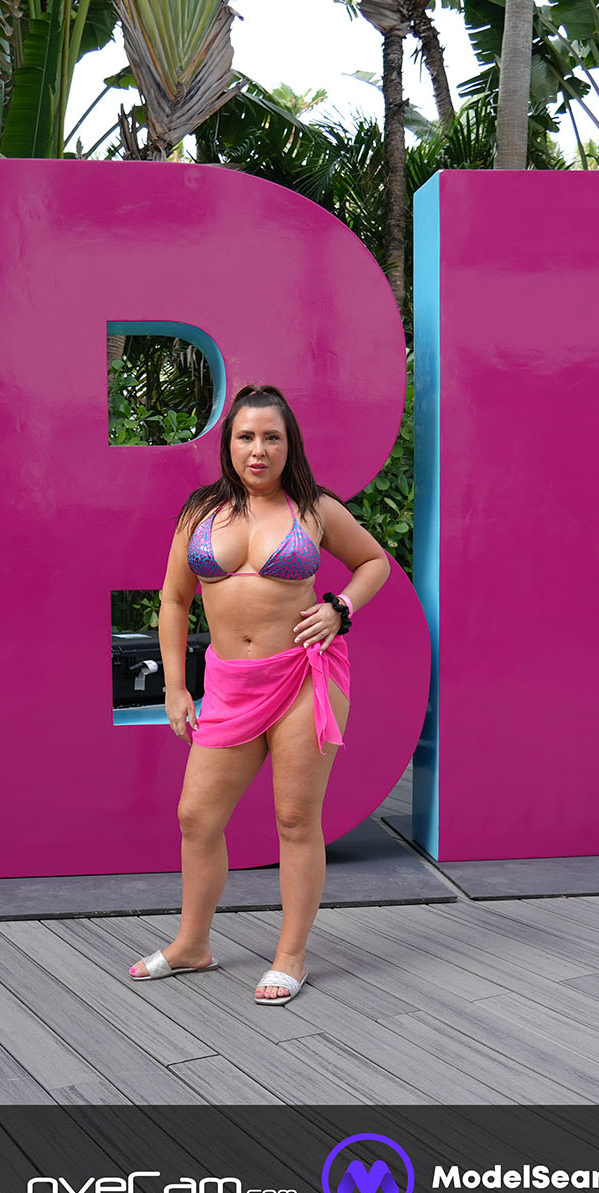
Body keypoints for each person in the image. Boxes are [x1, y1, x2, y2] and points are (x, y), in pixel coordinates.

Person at [127, 384, 391, 1004]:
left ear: (289, 444)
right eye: (246, 436)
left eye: (272, 437)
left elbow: (373, 562)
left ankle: (290, 956)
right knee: (196, 816)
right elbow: (174, 599)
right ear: (229, 443)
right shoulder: (201, 512)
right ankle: (193, 944)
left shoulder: (315, 508)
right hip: (228, 685)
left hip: (303, 676)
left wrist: (341, 608)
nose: (259, 449)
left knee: (295, 819)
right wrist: (174, 685)